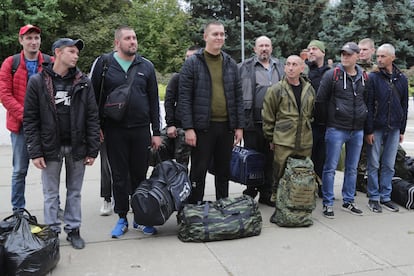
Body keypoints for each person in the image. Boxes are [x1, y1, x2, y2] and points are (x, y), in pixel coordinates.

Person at [23, 38, 100, 249]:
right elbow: (30, 119)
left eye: (77, 52)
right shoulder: (38, 82)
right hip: (50, 147)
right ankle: (52, 233)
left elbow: (92, 117)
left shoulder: (83, 81)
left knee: (74, 192)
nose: (76, 56)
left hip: (77, 147)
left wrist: (93, 149)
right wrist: (35, 151)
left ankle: (73, 230)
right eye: (71, 51)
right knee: (50, 194)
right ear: (57, 52)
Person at [90, 26, 161, 238]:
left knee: (140, 175)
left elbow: (153, 100)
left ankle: (140, 217)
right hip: (114, 131)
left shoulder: (146, 66)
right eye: (128, 38)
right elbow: (93, 99)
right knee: (119, 176)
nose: (133, 42)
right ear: (117, 43)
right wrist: (96, 128)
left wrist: (156, 131)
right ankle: (122, 218)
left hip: (140, 130)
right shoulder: (104, 64)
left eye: (134, 38)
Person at [178, 21, 245, 203]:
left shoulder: (230, 63)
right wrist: (189, 128)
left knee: (223, 171)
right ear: (205, 36)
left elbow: (238, 97)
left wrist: (239, 126)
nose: (219, 38)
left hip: (226, 128)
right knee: (198, 171)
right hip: (202, 128)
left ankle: (222, 207)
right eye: (215, 34)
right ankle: (195, 209)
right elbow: (184, 98)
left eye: (222, 34)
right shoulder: (193, 63)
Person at [0, 24, 52, 212]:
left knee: (51, 171)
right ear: (21, 40)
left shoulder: (50, 62)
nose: (33, 41)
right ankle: (18, 211)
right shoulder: (10, 63)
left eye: (36, 38)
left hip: (46, 127)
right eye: (28, 38)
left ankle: (54, 208)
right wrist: (26, 116)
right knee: (20, 170)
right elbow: (5, 95)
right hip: (20, 127)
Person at [316, 42, 368, 218]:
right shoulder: (333, 75)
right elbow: (320, 101)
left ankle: (348, 201)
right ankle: (328, 203)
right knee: (330, 167)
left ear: (357, 56)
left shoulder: (364, 77)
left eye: (348, 54)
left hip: (357, 130)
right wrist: (329, 121)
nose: (345, 56)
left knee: (352, 168)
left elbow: (366, 100)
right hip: (336, 128)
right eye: (343, 54)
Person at [262, 55, 315, 221]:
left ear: (302, 68)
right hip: (283, 140)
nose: (291, 68)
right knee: (279, 175)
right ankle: (279, 208)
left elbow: (311, 114)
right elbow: (268, 116)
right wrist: (271, 138)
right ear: (284, 68)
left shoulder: (309, 89)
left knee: (304, 175)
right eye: (288, 64)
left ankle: (299, 208)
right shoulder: (276, 90)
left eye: (295, 65)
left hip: (304, 141)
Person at [238, 35, 284, 206]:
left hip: (274, 122)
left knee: (270, 159)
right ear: (255, 49)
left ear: (271, 48)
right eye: (261, 46)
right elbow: (236, 94)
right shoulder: (244, 67)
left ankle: (266, 193)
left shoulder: (280, 66)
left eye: (267, 45)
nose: (264, 49)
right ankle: (250, 191)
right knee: (253, 159)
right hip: (252, 121)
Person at [365, 43, 408, 213]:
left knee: (389, 165)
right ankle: (374, 197)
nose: (379, 59)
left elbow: (404, 106)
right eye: (378, 56)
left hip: (394, 128)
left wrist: (402, 130)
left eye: (383, 56)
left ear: (392, 57)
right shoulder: (373, 78)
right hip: (376, 127)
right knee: (374, 163)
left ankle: (386, 197)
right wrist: (368, 130)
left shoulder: (402, 79)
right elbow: (368, 104)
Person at [163, 45, 200, 167]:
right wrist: (171, 124)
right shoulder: (177, 78)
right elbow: (169, 101)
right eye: (187, 57)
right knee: (180, 166)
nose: (189, 60)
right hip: (180, 129)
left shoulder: (204, 80)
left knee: (199, 166)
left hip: (201, 128)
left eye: (192, 57)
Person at [306, 40, 331, 194]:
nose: (311, 52)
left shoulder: (331, 72)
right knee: (309, 157)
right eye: (309, 49)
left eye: (314, 49)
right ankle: (308, 187)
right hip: (309, 123)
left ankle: (322, 187)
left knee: (323, 158)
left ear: (322, 52)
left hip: (326, 123)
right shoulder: (304, 71)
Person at [356, 38, 377, 193]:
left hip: (373, 117)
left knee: (368, 151)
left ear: (372, 51)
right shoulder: (351, 67)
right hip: (354, 116)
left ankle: (362, 179)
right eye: (359, 49)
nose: (361, 52)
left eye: (365, 49)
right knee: (354, 151)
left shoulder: (376, 70)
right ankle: (354, 181)